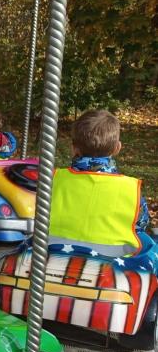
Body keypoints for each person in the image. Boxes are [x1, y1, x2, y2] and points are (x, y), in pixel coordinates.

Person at [48, 109, 149, 256]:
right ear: (117, 148)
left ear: (73, 148)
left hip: (52, 257)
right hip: (113, 264)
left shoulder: (52, 179)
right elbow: (140, 225)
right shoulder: (132, 189)